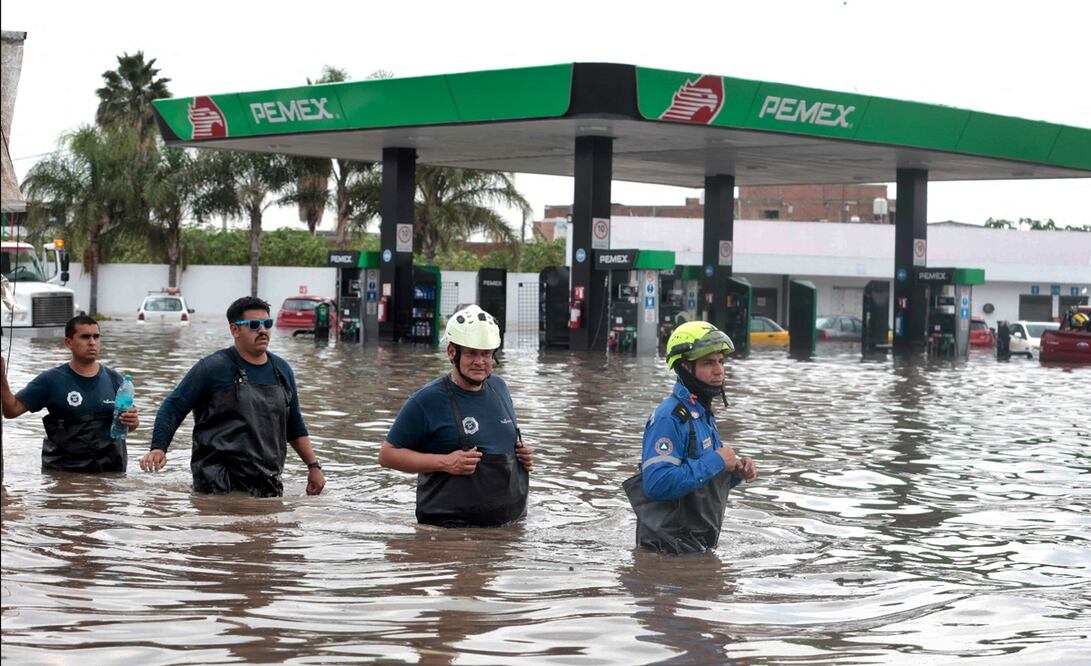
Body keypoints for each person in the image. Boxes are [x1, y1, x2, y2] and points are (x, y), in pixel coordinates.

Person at [139, 296, 325, 497]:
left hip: (267, 484)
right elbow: (173, 407)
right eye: (254, 325)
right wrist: (159, 448)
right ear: (235, 330)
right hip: (216, 485)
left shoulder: (282, 370)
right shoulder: (212, 368)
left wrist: (313, 466)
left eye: (267, 323)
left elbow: (294, 426)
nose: (262, 330)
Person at [378, 304, 533, 527]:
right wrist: (446, 462)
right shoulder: (425, 400)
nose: (480, 361)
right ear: (452, 352)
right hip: (451, 534)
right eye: (471, 353)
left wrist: (522, 454)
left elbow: (496, 436)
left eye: (486, 354)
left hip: (508, 532)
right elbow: (387, 455)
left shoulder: (501, 388)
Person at [623, 320, 757, 555]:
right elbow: (656, 484)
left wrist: (735, 472)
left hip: (696, 549)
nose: (719, 370)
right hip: (665, 555)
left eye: (721, 361)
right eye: (708, 363)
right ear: (685, 367)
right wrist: (716, 460)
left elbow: (700, 482)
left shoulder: (702, 415)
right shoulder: (670, 417)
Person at [1, 315, 138, 472]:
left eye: (96, 336)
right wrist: (2, 379)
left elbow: (131, 424)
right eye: (85, 337)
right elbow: (11, 410)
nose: (92, 342)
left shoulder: (115, 379)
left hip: (109, 476)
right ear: (69, 342)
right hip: (65, 476)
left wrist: (133, 422)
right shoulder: (50, 380)